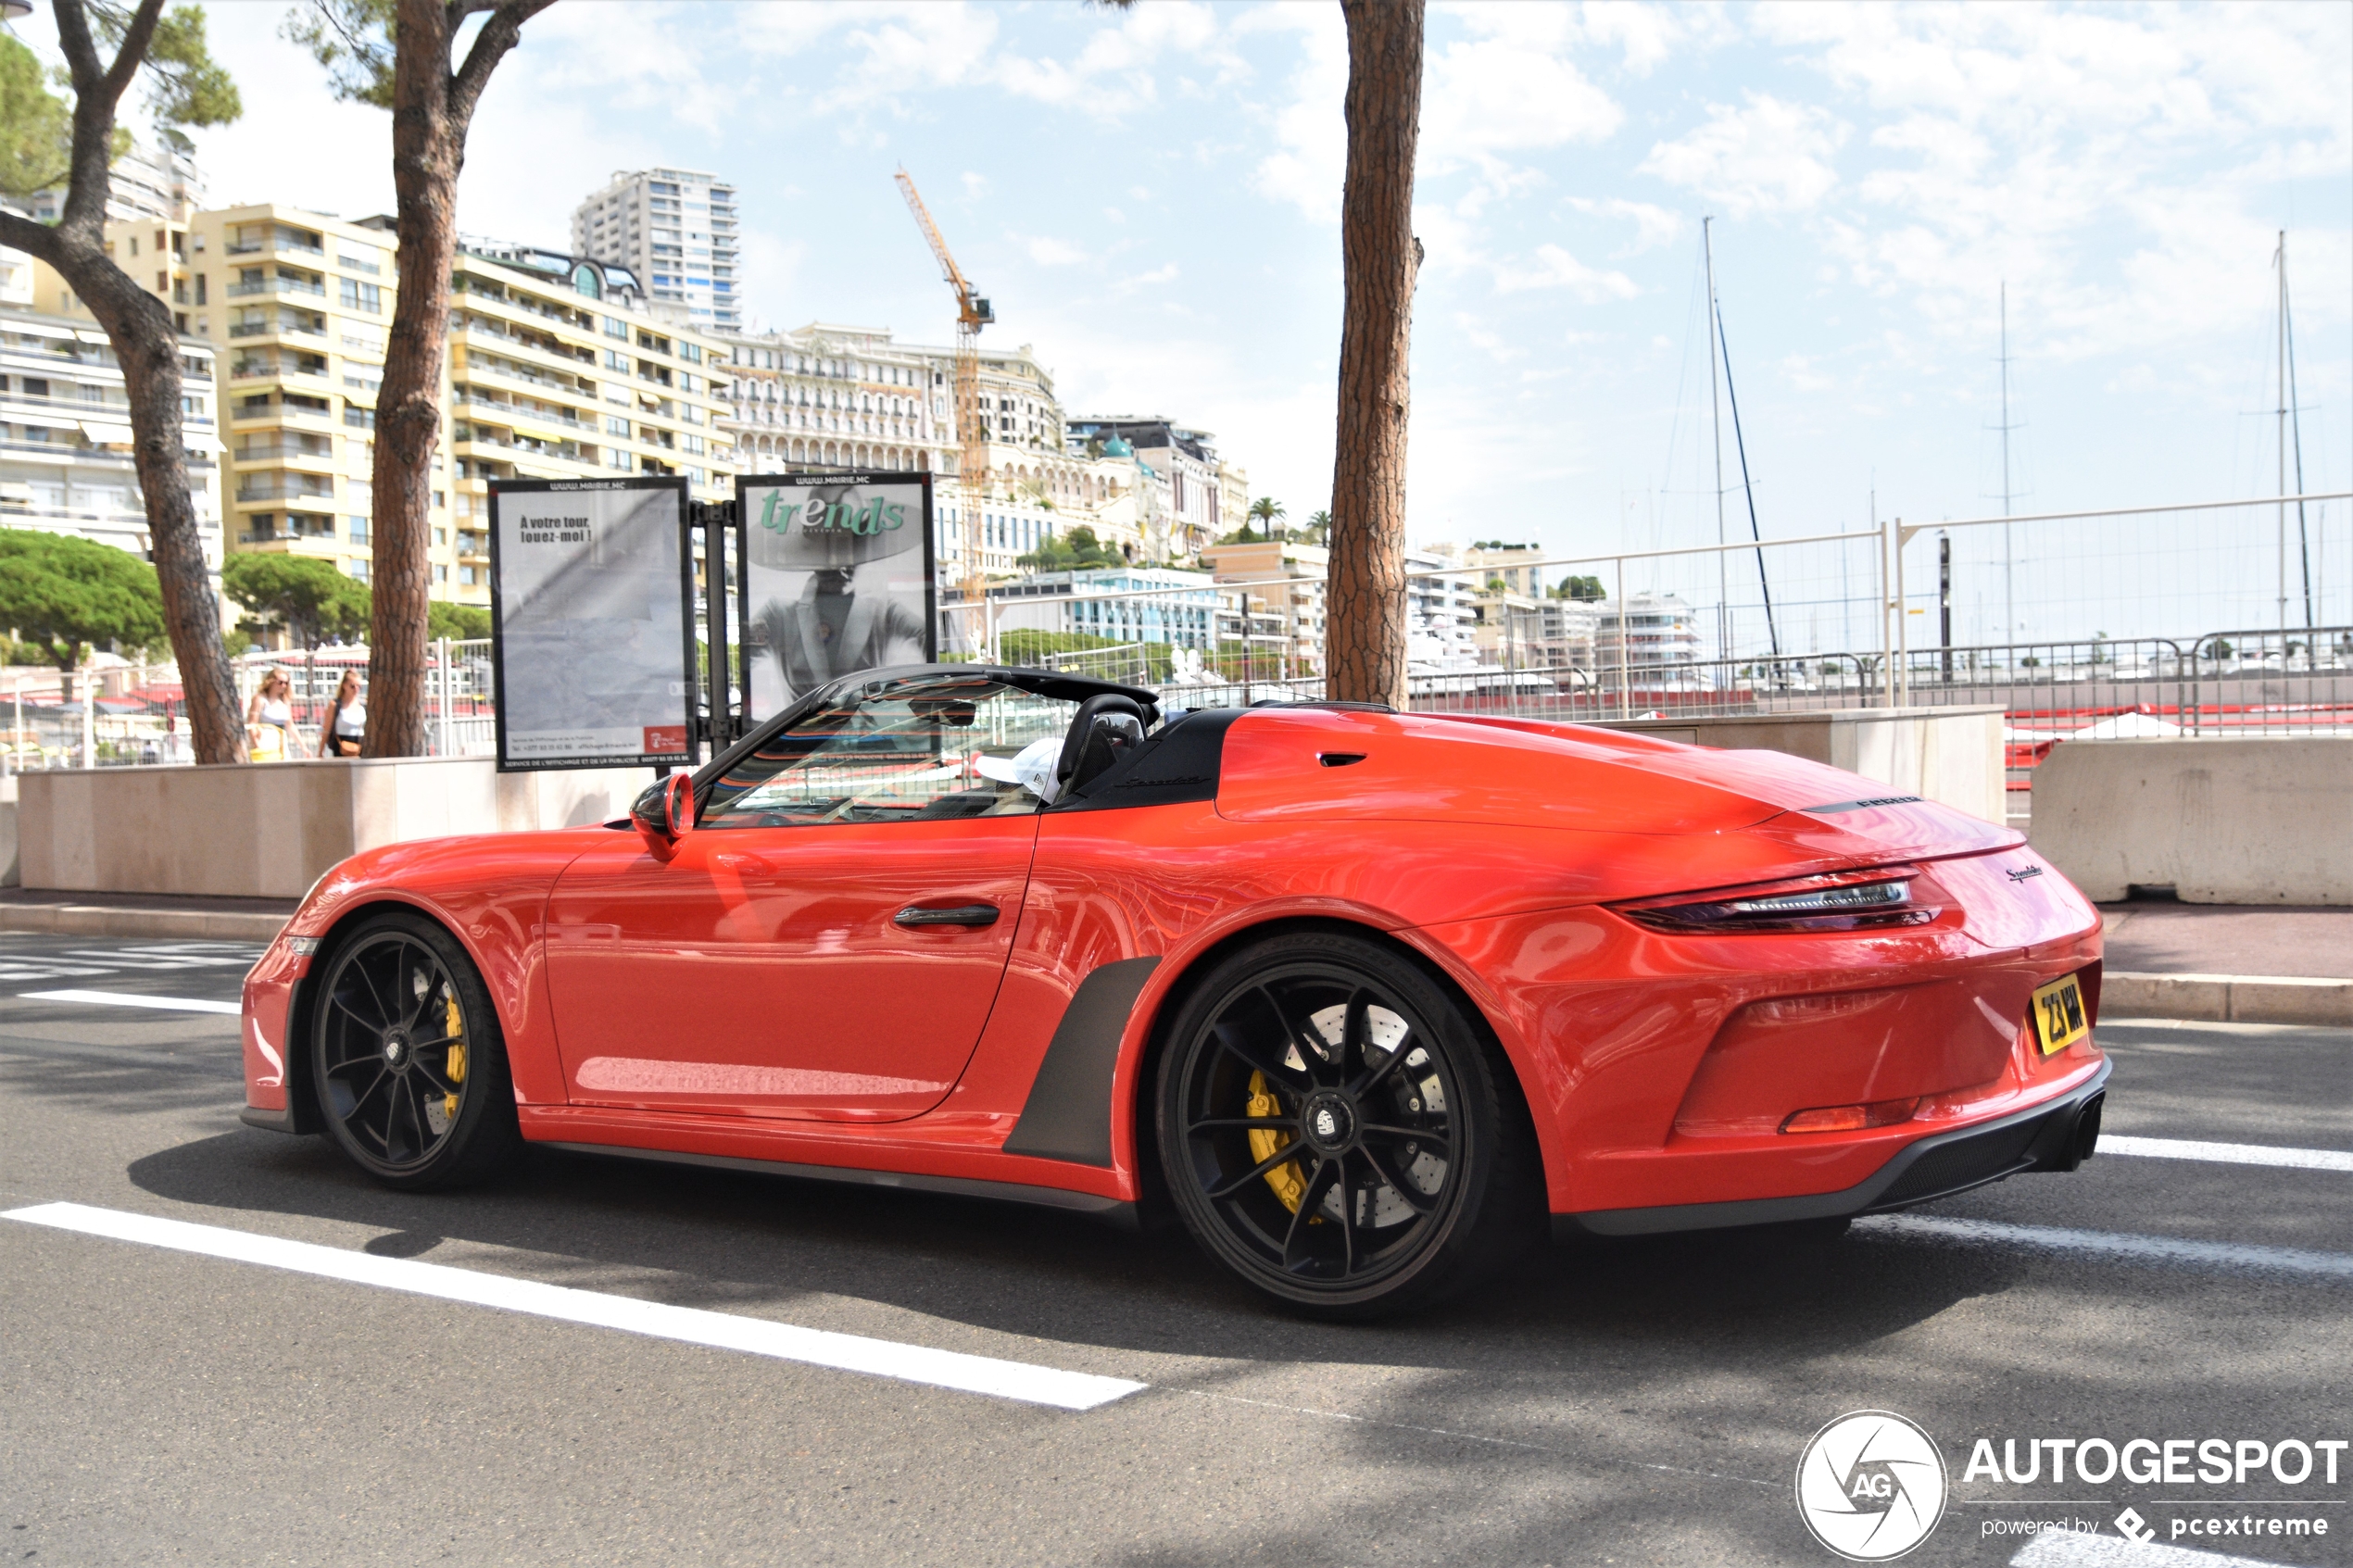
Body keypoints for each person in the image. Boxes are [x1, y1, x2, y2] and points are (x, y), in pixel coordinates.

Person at [245, 669, 303, 761]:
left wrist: (303, 747)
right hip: (264, 739)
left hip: (281, 741)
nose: (283, 686)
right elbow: (252, 724)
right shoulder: (260, 699)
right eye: (280, 682)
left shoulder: (285, 700)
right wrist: (257, 745)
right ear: (271, 681)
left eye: (286, 683)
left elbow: (290, 725)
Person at [323, 670, 365, 758]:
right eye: (352, 686)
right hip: (341, 745)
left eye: (359, 686)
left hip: (360, 744)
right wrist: (320, 751)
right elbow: (326, 729)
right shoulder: (335, 705)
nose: (356, 689)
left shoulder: (362, 704)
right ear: (344, 686)